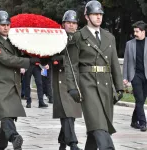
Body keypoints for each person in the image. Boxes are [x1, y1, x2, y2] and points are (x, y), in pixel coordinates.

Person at [65, 1, 124, 149]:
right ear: (87, 16)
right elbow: (71, 65)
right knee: (98, 124)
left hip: (105, 85)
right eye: (95, 14)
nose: (98, 17)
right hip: (87, 84)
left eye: (100, 14)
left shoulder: (109, 37)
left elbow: (114, 63)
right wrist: (72, 87)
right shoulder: (78, 37)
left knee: (98, 126)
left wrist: (119, 87)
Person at [0, 10, 40, 150]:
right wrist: (28, 62)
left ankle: (1, 145)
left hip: (14, 84)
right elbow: (6, 59)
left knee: (7, 115)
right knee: (5, 115)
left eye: (7, 24)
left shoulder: (13, 40)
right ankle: (14, 137)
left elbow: (25, 49)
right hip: (0, 84)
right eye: (2, 24)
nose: (5, 27)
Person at [51, 10, 82, 150]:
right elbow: (49, 54)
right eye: (68, 22)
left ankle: (63, 141)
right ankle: (73, 143)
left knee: (71, 112)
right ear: (63, 24)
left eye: (74, 23)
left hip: (76, 77)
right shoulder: (56, 37)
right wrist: (59, 59)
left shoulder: (81, 38)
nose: (71, 25)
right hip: (61, 78)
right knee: (67, 111)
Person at [123, 20, 147, 132]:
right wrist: (125, 77)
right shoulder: (129, 44)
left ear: (143, 32)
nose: (135, 34)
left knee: (141, 101)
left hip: (146, 76)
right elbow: (126, 62)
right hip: (135, 75)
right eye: (134, 31)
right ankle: (143, 123)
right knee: (139, 99)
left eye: (137, 31)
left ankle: (133, 121)